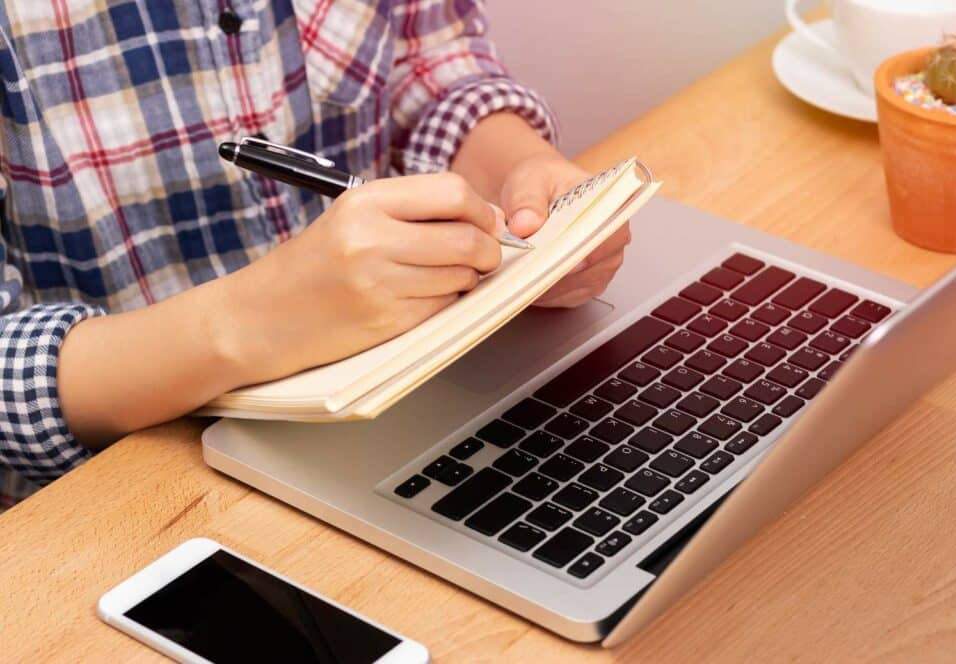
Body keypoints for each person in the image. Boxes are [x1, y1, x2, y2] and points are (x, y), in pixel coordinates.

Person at [0, 1, 631, 507]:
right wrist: (248, 323)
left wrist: (518, 170)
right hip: (134, 497)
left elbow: (423, 52)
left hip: (421, 397)